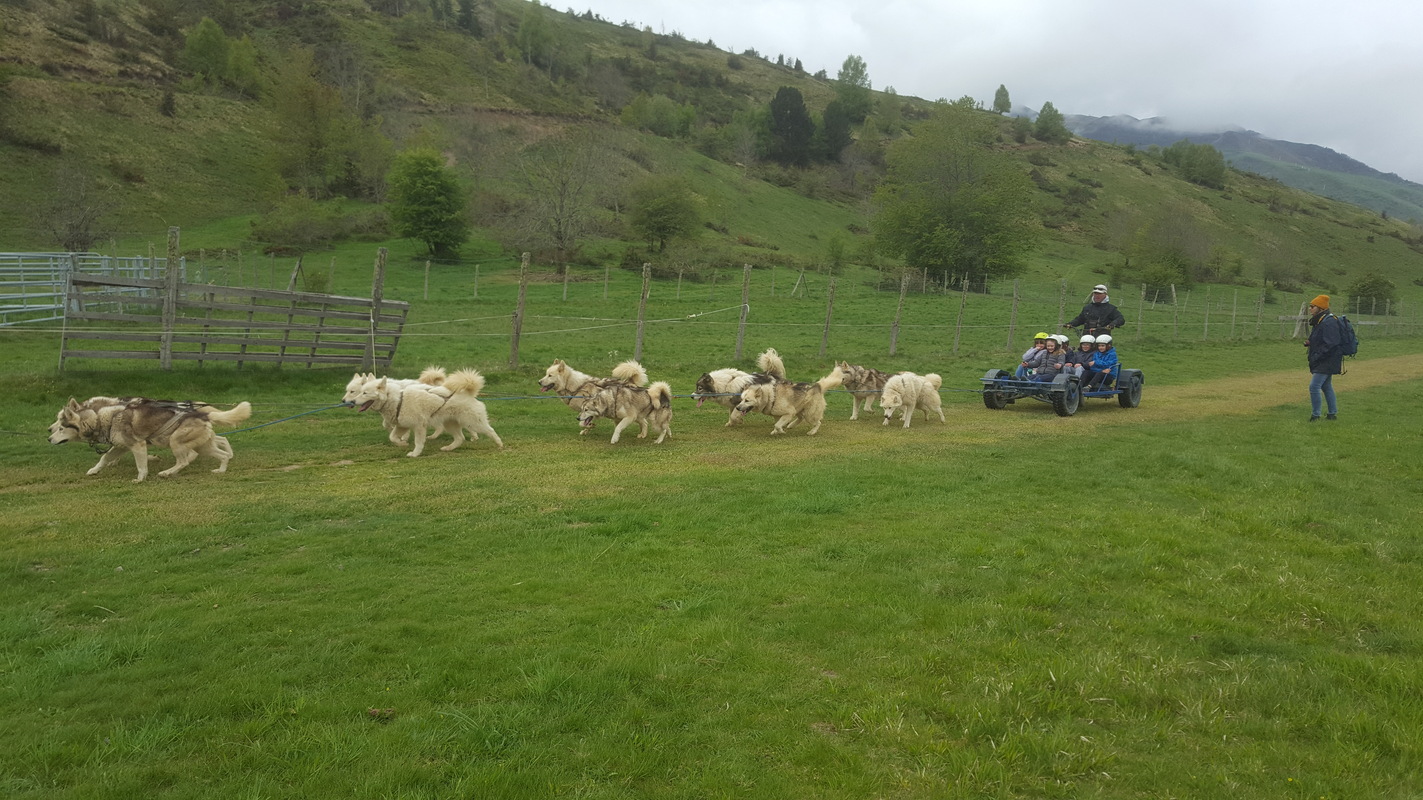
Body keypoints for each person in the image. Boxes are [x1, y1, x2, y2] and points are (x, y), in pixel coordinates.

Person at [1304, 294, 1342, 421]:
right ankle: (1332, 414)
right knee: (1326, 386)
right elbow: (1321, 339)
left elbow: (1331, 343)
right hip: (1326, 359)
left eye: (1312, 306)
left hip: (1327, 360)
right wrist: (1311, 343)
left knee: (1314, 386)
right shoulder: (1321, 320)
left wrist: (1317, 356)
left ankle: (1316, 415)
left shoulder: (1328, 322)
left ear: (1320, 308)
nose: (1310, 309)